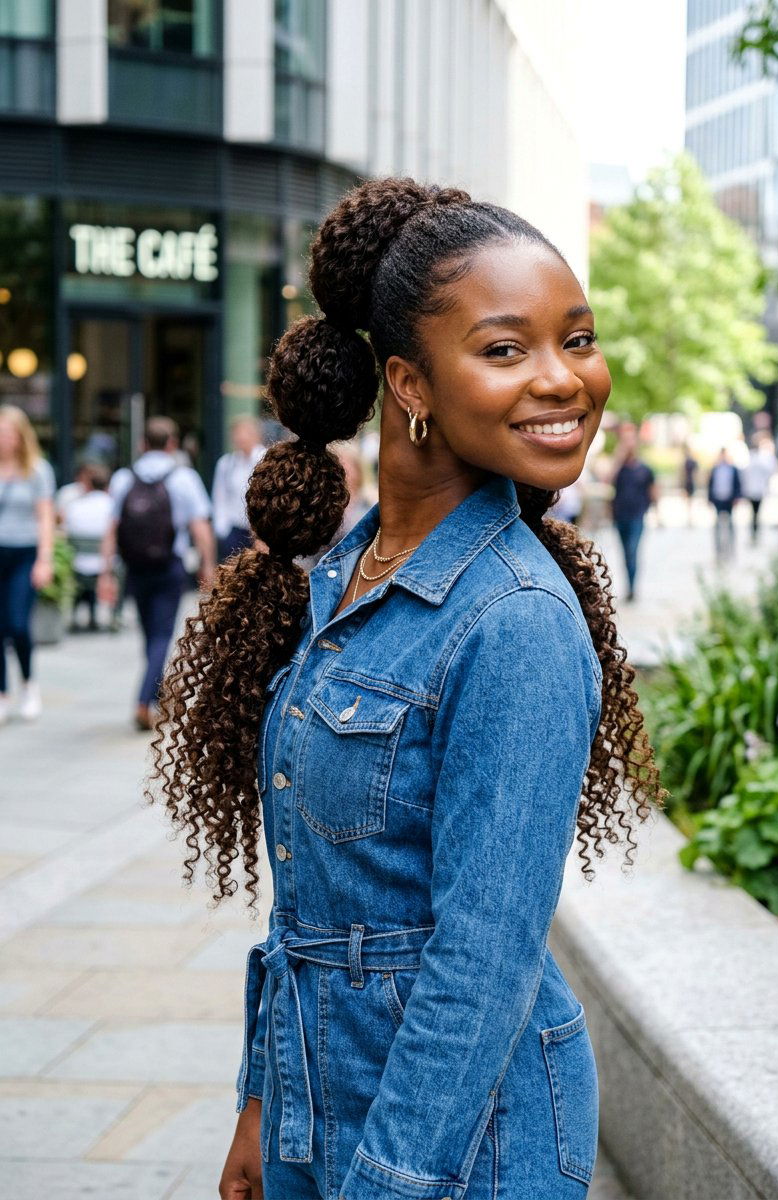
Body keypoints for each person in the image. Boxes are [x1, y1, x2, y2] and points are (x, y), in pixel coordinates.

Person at [145, 178, 665, 1200]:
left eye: (579, 339)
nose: (564, 380)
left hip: (461, 1146)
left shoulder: (512, 614)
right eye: (507, 348)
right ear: (408, 383)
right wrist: (262, 1099)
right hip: (314, 1100)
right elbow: (308, 902)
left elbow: (482, 961)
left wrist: (386, 1183)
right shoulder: (338, 577)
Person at [99, 416, 215, 731]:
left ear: (142, 444)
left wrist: (105, 572)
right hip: (169, 565)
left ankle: (156, 693)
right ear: (172, 444)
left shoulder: (124, 478)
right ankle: (143, 701)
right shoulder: (184, 477)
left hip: (135, 567)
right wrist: (208, 565)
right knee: (161, 635)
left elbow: (111, 529)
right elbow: (200, 527)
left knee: (151, 635)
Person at [0, 405, 56, 724]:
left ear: (21, 437)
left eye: (8, 433)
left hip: (24, 553)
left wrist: (44, 559)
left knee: (18, 624)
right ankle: (2, 694)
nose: (3, 439)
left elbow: (45, 516)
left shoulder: (36, 470)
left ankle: (28, 685)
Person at [62, 463, 116, 632]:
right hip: (106, 564)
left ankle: (76, 613)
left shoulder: (75, 506)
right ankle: (115, 614)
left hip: (77, 563)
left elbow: (66, 532)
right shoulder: (113, 507)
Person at [211, 415, 267, 562]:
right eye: (236, 434)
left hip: (261, 532)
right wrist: (222, 529)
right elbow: (220, 497)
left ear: (256, 435)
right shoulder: (227, 463)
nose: (240, 438)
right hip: (234, 532)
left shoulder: (266, 459)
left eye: (245, 433)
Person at [611, 432, 657, 602]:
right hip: (619, 516)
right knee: (624, 553)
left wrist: (657, 515)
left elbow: (653, 492)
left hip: (637, 516)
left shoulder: (645, 469)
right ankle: (628, 585)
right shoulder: (619, 468)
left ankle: (632, 588)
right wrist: (618, 458)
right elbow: (607, 481)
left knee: (632, 552)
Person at [707, 446, 742, 563]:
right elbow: (710, 484)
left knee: (731, 524)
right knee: (717, 524)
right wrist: (710, 498)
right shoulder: (715, 469)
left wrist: (737, 497)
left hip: (729, 499)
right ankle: (718, 549)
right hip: (718, 499)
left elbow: (737, 484)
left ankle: (731, 548)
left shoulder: (733, 469)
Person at [741, 434, 777, 543]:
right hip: (751, 490)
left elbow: (770, 471)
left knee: (757, 513)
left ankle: (756, 533)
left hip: (759, 489)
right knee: (753, 513)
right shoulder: (751, 457)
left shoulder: (765, 457)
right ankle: (753, 533)